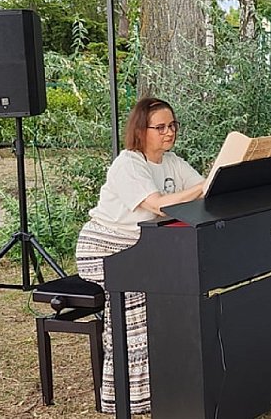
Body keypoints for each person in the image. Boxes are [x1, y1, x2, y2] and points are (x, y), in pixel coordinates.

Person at [75, 97, 204, 415]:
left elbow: (202, 189)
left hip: (145, 249)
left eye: (172, 125)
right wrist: (203, 188)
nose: (168, 132)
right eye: (160, 127)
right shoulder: (128, 163)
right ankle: (129, 396)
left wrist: (212, 184)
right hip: (104, 248)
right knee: (139, 293)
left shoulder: (172, 162)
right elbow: (159, 205)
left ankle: (175, 377)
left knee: (181, 290)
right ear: (140, 129)